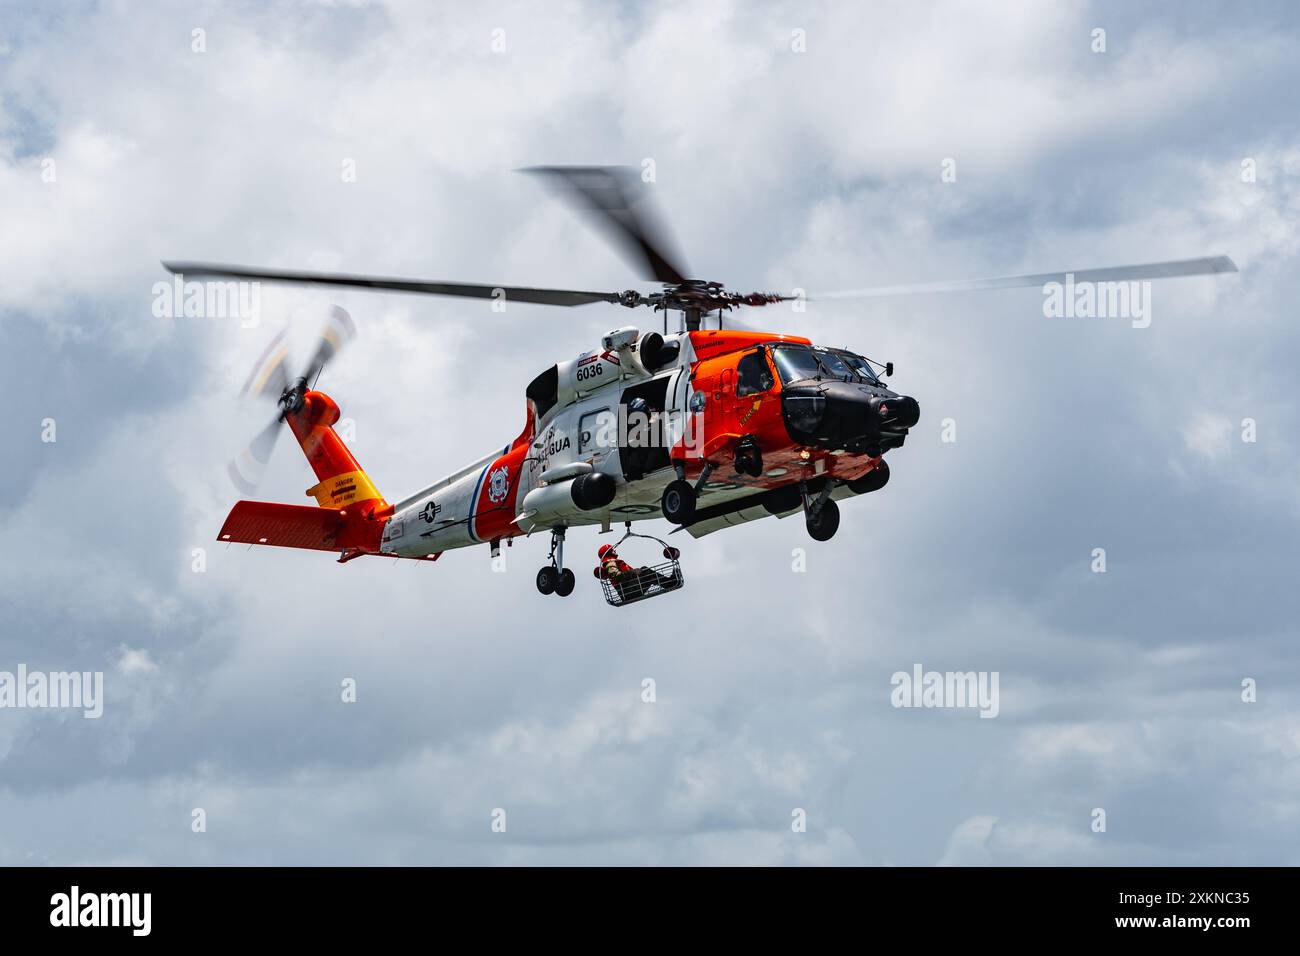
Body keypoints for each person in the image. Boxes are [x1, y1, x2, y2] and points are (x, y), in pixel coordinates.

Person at [593, 543, 677, 600]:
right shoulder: (610, 563)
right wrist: (633, 572)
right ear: (609, 552)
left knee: (645, 571)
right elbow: (617, 576)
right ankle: (671, 583)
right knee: (646, 572)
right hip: (628, 591)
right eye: (612, 549)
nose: (614, 551)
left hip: (629, 589)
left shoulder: (611, 562)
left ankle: (670, 582)